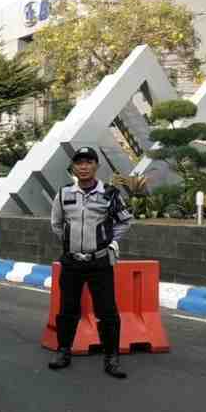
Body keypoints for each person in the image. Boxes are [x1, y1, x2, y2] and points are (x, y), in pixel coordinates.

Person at [49, 146, 133, 379]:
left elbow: (124, 221)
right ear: (73, 167)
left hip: (100, 262)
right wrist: (72, 242)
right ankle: (63, 351)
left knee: (107, 311)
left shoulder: (110, 193)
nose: (83, 167)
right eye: (79, 163)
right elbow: (56, 224)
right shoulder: (64, 193)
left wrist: (110, 242)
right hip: (72, 263)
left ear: (96, 166)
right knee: (67, 309)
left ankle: (112, 357)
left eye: (88, 162)